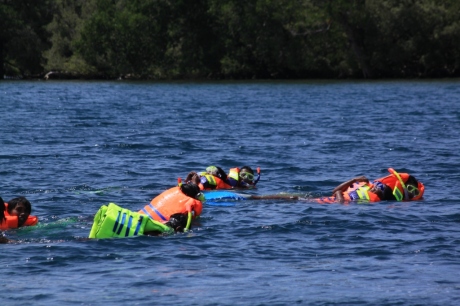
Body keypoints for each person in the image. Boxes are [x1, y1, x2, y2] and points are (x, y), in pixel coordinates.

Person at [317, 168, 425, 204]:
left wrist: (338, 194)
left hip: (337, 201)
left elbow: (337, 196)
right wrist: (354, 180)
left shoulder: (388, 197)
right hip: (335, 201)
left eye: (414, 192)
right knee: (302, 199)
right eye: (411, 189)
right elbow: (334, 191)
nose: (412, 193)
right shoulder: (370, 184)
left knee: (304, 200)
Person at [139, 182, 204, 231]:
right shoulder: (190, 202)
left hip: (139, 216)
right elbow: (192, 220)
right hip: (152, 225)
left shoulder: (174, 190)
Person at [186, 165, 260, 190]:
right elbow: (225, 178)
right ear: (238, 174)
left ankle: (191, 184)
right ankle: (192, 183)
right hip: (205, 184)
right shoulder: (233, 182)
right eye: (243, 175)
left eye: (249, 177)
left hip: (205, 184)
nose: (246, 178)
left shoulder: (243, 185)